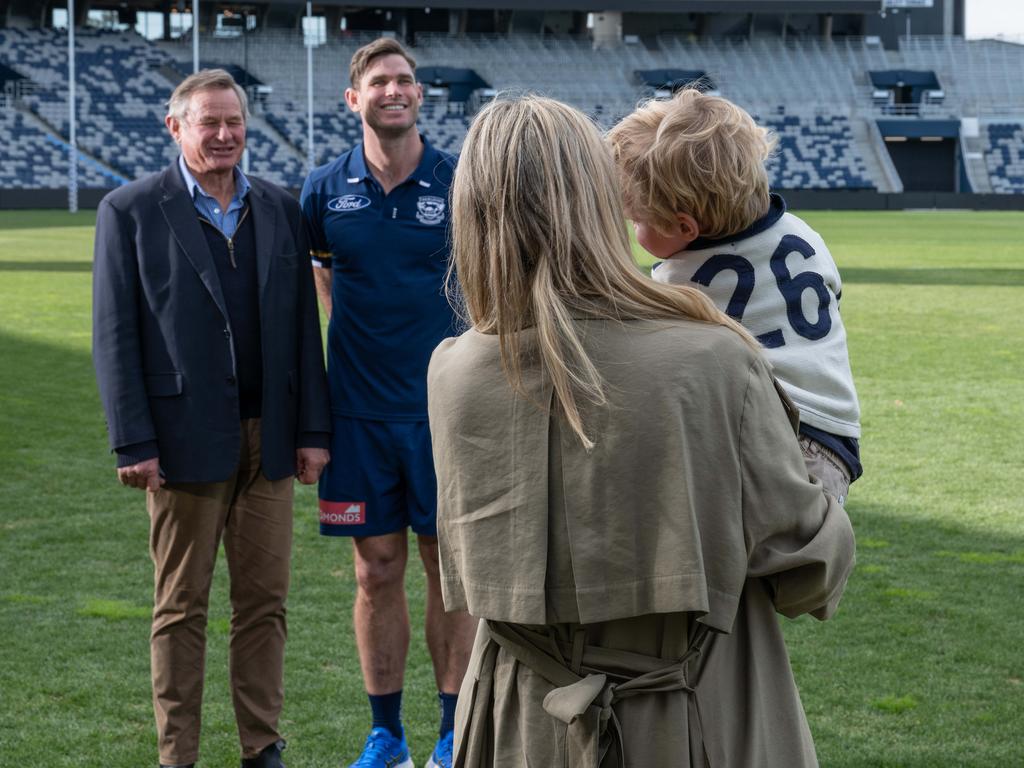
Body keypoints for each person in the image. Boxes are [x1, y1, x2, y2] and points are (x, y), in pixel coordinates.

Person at [426, 95, 856, 767]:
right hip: (690, 716)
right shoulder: (712, 359)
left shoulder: (453, 373)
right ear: (599, 198)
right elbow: (807, 568)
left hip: (515, 726)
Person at [92, 69, 331, 768]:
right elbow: (115, 335)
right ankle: (179, 755)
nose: (225, 135)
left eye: (235, 123)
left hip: (273, 442)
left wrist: (314, 431)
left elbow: (301, 333)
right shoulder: (130, 211)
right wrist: (133, 439)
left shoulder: (282, 209)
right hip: (180, 443)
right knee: (180, 608)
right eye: (209, 123)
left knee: (265, 605)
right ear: (176, 128)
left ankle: (262, 746)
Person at [299, 38, 475, 768]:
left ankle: (451, 727)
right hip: (361, 416)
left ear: (419, 95)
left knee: (448, 569)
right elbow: (323, 275)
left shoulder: (459, 180)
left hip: (446, 415)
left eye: (405, 80)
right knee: (375, 571)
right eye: (379, 82)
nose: (394, 90)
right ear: (354, 98)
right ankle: (386, 736)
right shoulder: (323, 189)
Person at [608, 89, 862, 505]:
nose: (634, 232)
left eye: (637, 221)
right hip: (833, 438)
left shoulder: (683, 280)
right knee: (804, 560)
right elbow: (832, 296)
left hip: (761, 435)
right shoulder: (803, 235)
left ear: (684, 227)